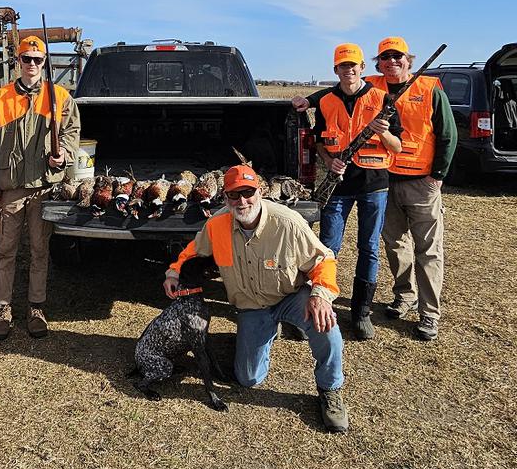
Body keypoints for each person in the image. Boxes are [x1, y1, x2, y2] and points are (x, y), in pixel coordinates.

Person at [163, 164, 348, 433]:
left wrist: (320, 296)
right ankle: (254, 338)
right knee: (249, 379)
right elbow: (192, 252)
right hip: (252, 307)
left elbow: (324, 259)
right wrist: (173, 272)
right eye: (234, 195)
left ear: (260, 192)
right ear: (225, 198)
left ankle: (330, 390)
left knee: (327, 326)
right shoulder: (217, 225)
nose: (242, 201)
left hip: (291, 296)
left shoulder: (288, 222)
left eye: (248, 192)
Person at [292, 43, 402, 340]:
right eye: (343, 66)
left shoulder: (383, 99)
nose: (349, 70)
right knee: (328, 247)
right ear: (336, 70)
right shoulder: (326, 101)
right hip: (337, 188)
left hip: (374, 186)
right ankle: (318, 304)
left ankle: (361, 312)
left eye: (353, 65)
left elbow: (398, 146)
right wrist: (329, 161)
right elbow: (317, 141)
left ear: (362, 67)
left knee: (368, 248)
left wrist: (384, 132)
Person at [0, 35, 81, 340]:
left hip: (44, 189)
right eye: (26, 58)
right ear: (18, 61)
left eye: (37, 59)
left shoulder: (60, 96)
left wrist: (62, 152)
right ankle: (3, 309)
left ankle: (36, 308)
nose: (32, 64)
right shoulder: (0, 97)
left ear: (44, 62)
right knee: (6, 250)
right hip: (10, 188)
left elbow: (73, 131)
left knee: (39, 250)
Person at [366, 37, 457, 341]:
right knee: (394, 244)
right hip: (384, 180)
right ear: (378, 63)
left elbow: (448, 133)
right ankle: (405, 296)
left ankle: (429, 314)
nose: (391, 61)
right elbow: (339, 90)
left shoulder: (430, 89)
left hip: (421, 182)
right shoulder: (371, 85)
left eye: (397, 56)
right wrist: (306, 100)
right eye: (385, 57)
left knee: (428, 251)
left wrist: (438, 174)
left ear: (409, 60)